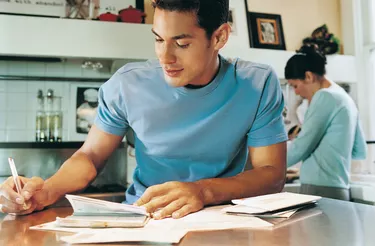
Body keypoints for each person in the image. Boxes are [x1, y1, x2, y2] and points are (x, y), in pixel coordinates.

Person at [0, 0, 287, 219]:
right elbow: (90, 156)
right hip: (146, 217)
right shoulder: (127, 84)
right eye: (159, 39)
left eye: (182, 43)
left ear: (219, 37)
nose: (165, 57)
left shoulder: (256, 84)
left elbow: (272, 174)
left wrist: (202, 191)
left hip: (221, 218)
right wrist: (47, 191)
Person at [285, 44, 367, 201]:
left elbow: (300, 147)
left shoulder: (324, 97)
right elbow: (359, 150)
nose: (296, 92)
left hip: (318, 189)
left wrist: (267, 163)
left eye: (295, 85)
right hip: (340, 189)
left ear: (308, 77)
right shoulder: (345, 98)